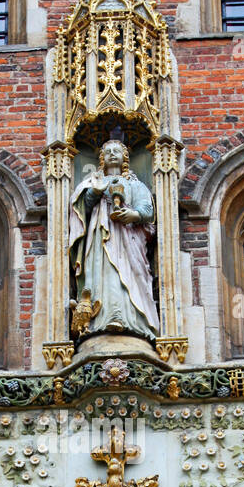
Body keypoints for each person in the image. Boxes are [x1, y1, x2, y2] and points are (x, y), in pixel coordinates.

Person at [68, 138, 159, 339]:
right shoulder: (94, 182)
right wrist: (94, 192)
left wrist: (133, 215)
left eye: (116, 150)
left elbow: (147, 209)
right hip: (100, 237)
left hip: (128, 237)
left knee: (128, 274)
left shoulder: (135, 184)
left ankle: (133, 321)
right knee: (104, 273)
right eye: (107, 151)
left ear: (124, 157)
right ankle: (102, 319)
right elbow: (81, 208)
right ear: (102, 159)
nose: (111, 154)